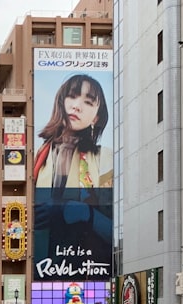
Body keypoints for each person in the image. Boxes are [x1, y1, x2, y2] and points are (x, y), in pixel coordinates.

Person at [33, 73, 113, 253]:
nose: (77, 106)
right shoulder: (39, 156)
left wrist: (83, 212)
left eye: (88, 102)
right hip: (41, 265)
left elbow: (114, 230)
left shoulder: (105, 158)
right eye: (72, 96)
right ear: (61, 100)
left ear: (96, 118)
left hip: (84, 263)